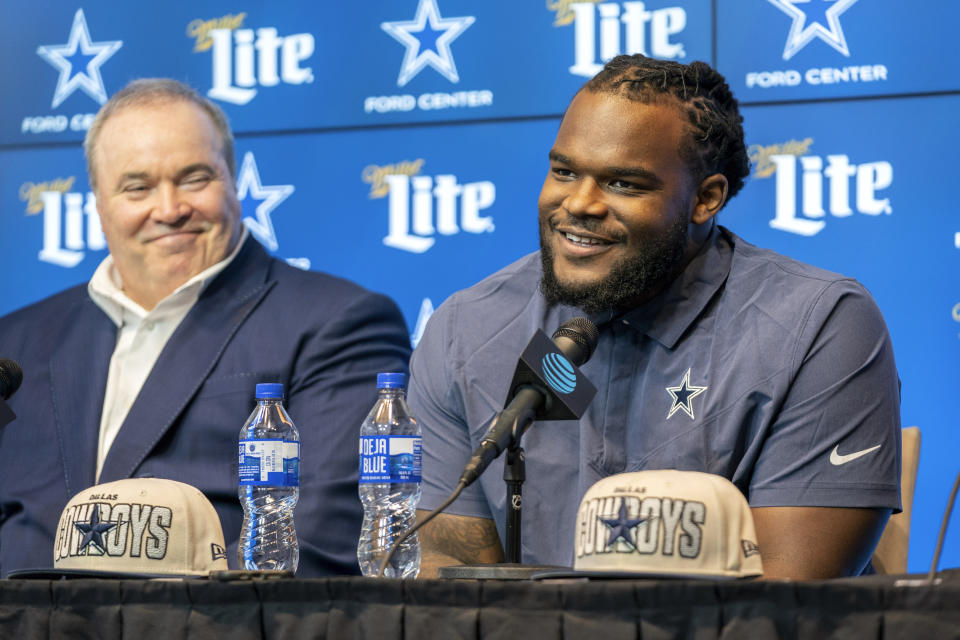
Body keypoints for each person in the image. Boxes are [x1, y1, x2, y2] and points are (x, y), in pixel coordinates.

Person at [408, 55, 901, 580]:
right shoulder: (466, 329)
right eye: (564, 171)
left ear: (706, 199)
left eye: (623, 184)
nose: (578, 203)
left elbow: (789, 600)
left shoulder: (818, 325)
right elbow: (447, 583)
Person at [0, 79, 412, 578]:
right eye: (138, 187)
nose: (170, 209)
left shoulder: (340, 324)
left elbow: (319, 545)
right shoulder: (16, 343)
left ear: (232, 180)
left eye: (195, 179)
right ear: (98, 204)